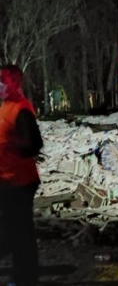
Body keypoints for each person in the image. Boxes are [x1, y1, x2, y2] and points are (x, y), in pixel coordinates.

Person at [0, 64, 43, 286]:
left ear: (12, 83)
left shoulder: (20, 109)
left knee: (20, 232)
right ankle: (22, 275)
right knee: (13, 229)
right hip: (8, 179)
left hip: (19, 180)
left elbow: (34, 143)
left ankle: (26, 279)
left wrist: (13, 151)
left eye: (2, 81)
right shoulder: (7, 106)